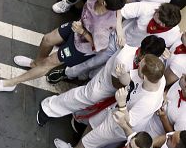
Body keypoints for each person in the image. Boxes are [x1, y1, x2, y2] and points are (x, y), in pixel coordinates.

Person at [36, 54, 166, 148]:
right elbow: (129, 81)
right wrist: (122, 75)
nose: (137, 64)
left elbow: (129, 121)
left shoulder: (148, 101)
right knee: (92, 124)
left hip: (119, 125)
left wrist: (122, 104)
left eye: (140, 66)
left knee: (88, 142)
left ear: (145, 76)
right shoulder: (155, 77)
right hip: (116, 109)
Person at [0, 0, 126, 92]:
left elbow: (98, 48)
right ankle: (35, 64)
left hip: (80, 47)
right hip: (76, 26)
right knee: (47, 40)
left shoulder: (103, 27)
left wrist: (83, 32)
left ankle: (9, 84)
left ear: (104, 3)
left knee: (49, 63)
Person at [37, 35, 166, 126]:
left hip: (118, 92)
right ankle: (48, 108)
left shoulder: (152, 65)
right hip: (106, 84)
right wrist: (127, 83)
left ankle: (76, 116)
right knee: (82, 97)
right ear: (143, 53)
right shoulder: (125, 58)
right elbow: (116, 82)